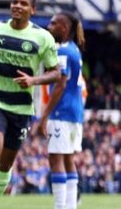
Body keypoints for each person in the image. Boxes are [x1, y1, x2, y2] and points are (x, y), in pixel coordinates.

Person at [0, 0, 60, 209]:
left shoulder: (43, 37)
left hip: (21, 107)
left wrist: (33, 80)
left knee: (5, 165)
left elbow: (56, 72)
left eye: (23, 3)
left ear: (32, 10)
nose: (17, 6)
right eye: (14, 2)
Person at [36, 11, 85, 209]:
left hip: (61, 113)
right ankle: (70, 206)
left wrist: (44, 115)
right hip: (75, 114)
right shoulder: (74, 49)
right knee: (68, 159)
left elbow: (60, 84)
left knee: (56, 159)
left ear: (64, 28)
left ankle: (60, 206)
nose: (49, 26)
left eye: (54, 23)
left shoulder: (63, 51)